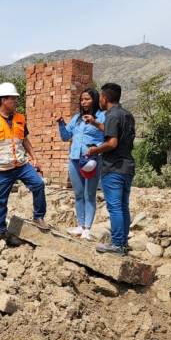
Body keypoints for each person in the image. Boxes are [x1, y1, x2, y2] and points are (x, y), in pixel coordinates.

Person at [0, 81, 50, 244]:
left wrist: (34, 157)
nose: (15, 101)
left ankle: (39, 216)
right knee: (1, 201)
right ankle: (1, 231)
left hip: (21, 165)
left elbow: (25, 140)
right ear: (3, 100)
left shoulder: (20, 118)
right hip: (1, 168)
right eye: (13, 99)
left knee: (38, 184)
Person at [85, 82, 136, 255]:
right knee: (123, 206)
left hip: (114, 167)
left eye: (100, 96)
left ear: (105, 98)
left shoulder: (112, 115)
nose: (99, 100)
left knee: (114, 207)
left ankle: (116, 244)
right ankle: (122, 243)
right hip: (127, 166)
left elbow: (112, 142)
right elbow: (115, 133)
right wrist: (95, 123)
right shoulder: (126, 114)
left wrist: (95, 150)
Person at [57, 88, 105, 240]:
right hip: (75, 159)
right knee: (78, 194)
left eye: (87, 99)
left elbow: (108, 134)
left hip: (91, 160)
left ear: (94, 100)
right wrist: (61, 123)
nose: (83, 102)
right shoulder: (77, 118)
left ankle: (87, 229)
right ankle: (80, 225)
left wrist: (95, 124)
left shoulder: (102, 116)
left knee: (89, 194)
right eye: (82, 99)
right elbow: (66, 137)